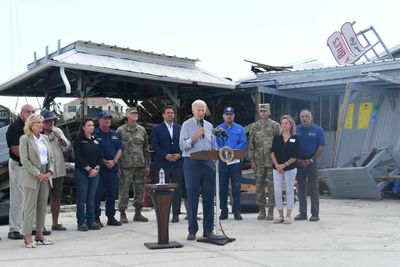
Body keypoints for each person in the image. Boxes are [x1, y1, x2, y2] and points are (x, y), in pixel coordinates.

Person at [179, 99, 216, 241]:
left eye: (203, 110)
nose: (201, 113)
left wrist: (215, 152)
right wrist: (194, 137)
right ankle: (192, 230)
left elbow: (212, 145)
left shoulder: (209, 125)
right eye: (198, 110)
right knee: (192, 196)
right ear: (193, 111)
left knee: (208, 196)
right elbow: (182, 146)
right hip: (192, 163)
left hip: (207, 163)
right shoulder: (186, 125)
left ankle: (208, 230)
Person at [19, 113, 55, 248]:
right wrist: (38, 173)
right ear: (31, 125)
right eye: (38, 123)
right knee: (29, 208)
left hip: (46, 175)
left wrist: (50, 171)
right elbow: (24, 160)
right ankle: (27, 236)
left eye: (42, 122)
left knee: (42, 207)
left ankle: (39, 234)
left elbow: (51, 157)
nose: (41, 125)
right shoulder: (25, 139)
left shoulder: (45, 138)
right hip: (32, 176)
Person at [6, 104, 35, 240]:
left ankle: (31, 226)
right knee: (18, 197)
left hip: (32, 167)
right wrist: (29, 161)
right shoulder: (15, 127)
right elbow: (14, 148)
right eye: (28, 111)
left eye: (33, 111)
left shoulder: (33, 128)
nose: (30, 113)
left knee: (32, 196)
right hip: (19, 165)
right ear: (21, 113)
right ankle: (14, 229)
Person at [117, 107, 150, 223]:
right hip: (125, 165)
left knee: (140, 188)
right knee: (124, 189)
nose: (135, 114)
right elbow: (117, 148)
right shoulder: (120, 130)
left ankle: (138, 213)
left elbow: (146, 148)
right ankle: (122, 213)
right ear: (127, 115)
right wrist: (117, 166)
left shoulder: (142, 130)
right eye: (132, 113)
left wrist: (147, 164)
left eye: (136, 113)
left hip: (140, 164)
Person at [151, 105, 183, 223]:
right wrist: (165, 155)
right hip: (162, 163)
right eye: (168, 112)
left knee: (177, 189)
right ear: (163, 115)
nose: (170, 114)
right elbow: (155, 145)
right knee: (162, 189)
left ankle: (176, 214)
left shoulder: (180, 128)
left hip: (177, 163)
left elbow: (184, 143)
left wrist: (179, 154)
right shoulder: (157, 129)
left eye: (172, 113)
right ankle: (162, 213)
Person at [248, 103, 280, 220]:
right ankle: (262, 211)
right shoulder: (254, 127)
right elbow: (251, 145)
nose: (263, 113)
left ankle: (271, 210)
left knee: (272, 186)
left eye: (265, 111)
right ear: (259, 113)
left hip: (272, 161)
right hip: (259, 162)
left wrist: (279, 161)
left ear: (269, 112)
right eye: (261, 111)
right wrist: (252, 161)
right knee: (259, 186)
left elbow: (280, 143)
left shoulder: (276, 126)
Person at [41, 110, 71, 231]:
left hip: (58, 169)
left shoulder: (57, 131)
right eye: (48, 121)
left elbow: (67, 146)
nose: (51, 123)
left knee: (56, 197)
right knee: (42, 198)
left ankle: (55, 222)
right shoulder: (38, 133)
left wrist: (60, 139)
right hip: (44, 171)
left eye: (52, 120)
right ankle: (40, 224)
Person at [215, 107, 247, 220]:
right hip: (222, 162)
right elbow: (215, 143)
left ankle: (237, 211)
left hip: (235, 162)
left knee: (236, 187)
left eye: (231, 114)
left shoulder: (240, 129)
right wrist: (223, 152)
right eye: (227, 114)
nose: (229, 116)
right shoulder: (218, 129)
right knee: (222, 188)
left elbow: (243, 142)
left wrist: (232, 153)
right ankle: (224, 211)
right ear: (223, 116)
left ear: (234, 116)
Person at [295, 109, 325, 222]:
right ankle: (302, 213)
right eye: (302, 116)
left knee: (314, 189)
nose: (304, 118)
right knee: (301, 189)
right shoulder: (296, 130)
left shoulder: (318, 130)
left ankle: (315, 214)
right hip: (298, 163)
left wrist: (311, 160)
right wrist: (297, 160)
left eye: (306, 116)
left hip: (312, 163)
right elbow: (292, 146)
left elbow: (321, 147)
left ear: (311, 117)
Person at [73, 118, 102, 231]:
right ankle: (81, 222)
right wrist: (89, 169)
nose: (91, 127)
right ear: (83, 127)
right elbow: (78, 158)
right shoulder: (79, 140)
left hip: (95, 173)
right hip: (82, 172)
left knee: (91, 198)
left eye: (93, 125)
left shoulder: (96, 140)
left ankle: (91, 221)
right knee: (82, 198)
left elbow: (100, 156)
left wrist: (96, 168)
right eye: (89, 125)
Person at [94, 111, 122, 227]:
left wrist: (114, 161)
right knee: (98, 193)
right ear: (99, 120)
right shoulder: (95, 133)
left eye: (109, 118)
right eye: (105, 118)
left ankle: (111, 217)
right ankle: (96, 217)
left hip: (113, 168)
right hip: (100, 168)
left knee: (112, 193)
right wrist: (103, 161)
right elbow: (93, 150)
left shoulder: (114, 134)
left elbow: (120, 149)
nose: (108, 120)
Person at [271, 115, 299, 224]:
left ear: (291, 124)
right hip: (277, 168)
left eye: (286, 123)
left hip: (290, 168)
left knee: (289, 191)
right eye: (282, 123)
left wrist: (284, 165)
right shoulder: (277, 137)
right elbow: (272, 152)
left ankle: (288, 216)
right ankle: (280, 215)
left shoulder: (295, 138)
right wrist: (277, 165)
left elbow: (295, 156)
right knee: (277, 192)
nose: (284, 125)